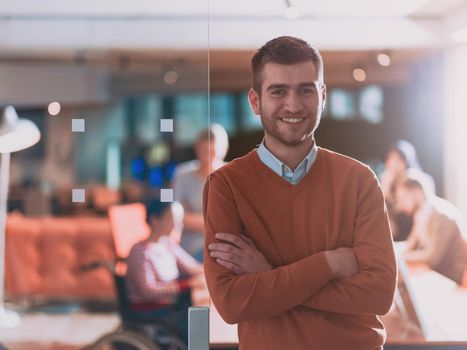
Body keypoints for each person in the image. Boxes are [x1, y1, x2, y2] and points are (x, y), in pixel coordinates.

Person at [203, 36, 397, 350]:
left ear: (322, 96)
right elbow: (232, 303)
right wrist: (329, 265)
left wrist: (269, 275)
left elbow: (379, 293)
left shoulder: (360, 180)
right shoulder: (226, 185)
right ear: (255, 101)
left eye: (305, 90)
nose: (293, 105)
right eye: (278, 91)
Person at [125, 200, 204, 344]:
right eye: (170, 219)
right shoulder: (140, 252)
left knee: (201, 316)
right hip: (150, 312)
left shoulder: (168, 245)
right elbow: (147, 291)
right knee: (198, 322)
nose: (175, 225)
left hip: (169, 307)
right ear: (155, 220)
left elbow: (193, 267)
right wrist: (186, 285)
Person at [395, 170, 467, 284]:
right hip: (436, 273)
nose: (400, 206)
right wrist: (393, 251)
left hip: (450, 278)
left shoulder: (441, 215)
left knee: (404, 283)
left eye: (403, 199)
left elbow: (432, 258)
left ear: (417, 192)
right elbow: (410, 244)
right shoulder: (421, 214)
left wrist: (400, 256)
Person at [173, 124, 229, 261]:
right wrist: (213, 222)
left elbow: (230, 222)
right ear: (197, 148)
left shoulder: (231, 174)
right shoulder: (182, 174)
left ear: (224, 150)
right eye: (204, 151)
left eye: (213, 152)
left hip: (223, 249)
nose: (208, 158)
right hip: (189, 250)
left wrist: (189, 217)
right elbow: (173, 218)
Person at [380, 140, 435, 241]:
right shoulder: (387, 183)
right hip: (397, 236)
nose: (393, 164)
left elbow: (424, 211)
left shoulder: (419, 180)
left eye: (398, 160)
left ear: (407, 161)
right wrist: (385, 191)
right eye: (390, 159)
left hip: (417, 230)